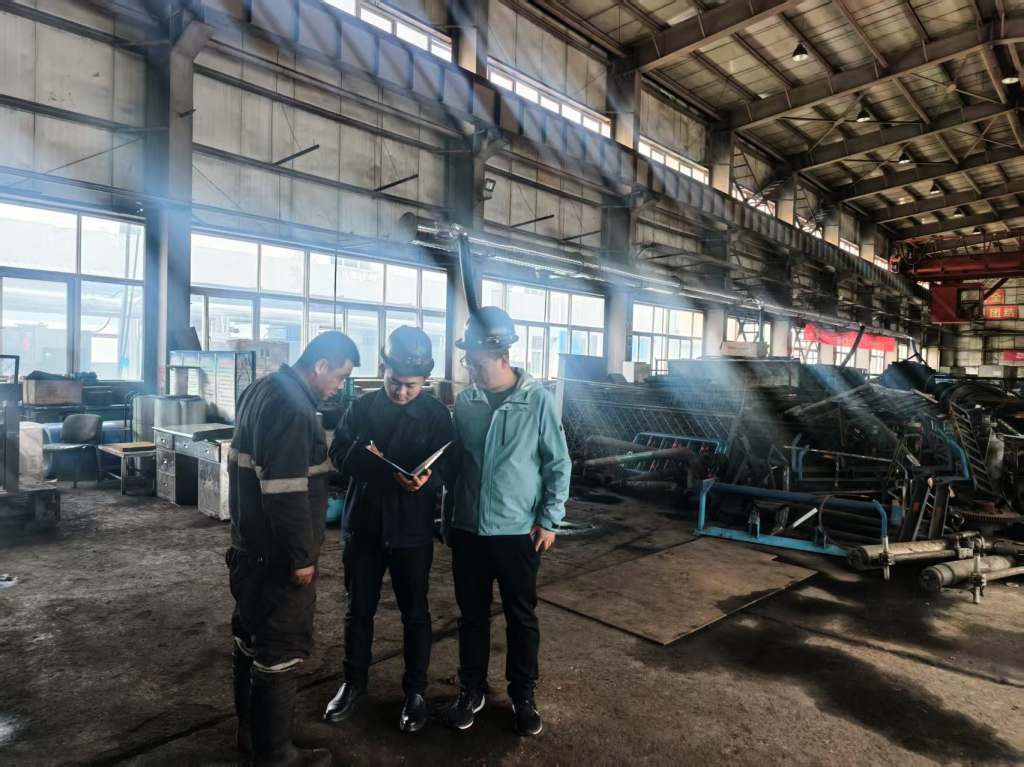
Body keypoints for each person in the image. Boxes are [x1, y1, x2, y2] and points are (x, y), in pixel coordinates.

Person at [227, 331, 360, 767]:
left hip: (248, 548)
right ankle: (276, 754)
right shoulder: (294, 408)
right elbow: (285, 493)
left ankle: (250, 735)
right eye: (339, 377)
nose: (338, 387)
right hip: (278, 556)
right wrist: (301, 556)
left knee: (250, 638)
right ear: (320, 366)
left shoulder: (261, 389)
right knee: (281, 648)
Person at [444, 307, 571, 736]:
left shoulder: (536, 401)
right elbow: (457, 465)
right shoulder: (466, 403)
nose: (472, 371)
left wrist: (550, 520)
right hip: (469, 531)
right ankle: (472, 689)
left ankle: (523, 694)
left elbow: (558, 464)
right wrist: (447, 516)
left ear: (503, 356)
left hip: (518, 532)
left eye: (477, 363)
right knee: (472, 617)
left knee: (521, 617)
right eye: (468, 362)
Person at [323, 327, 453, 733]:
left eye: (411, 386)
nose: (401, 391)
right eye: (394, 382)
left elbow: (450, 464)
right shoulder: (361, 408)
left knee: (415, 614)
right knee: (358, 609)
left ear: (425, 380)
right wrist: (376, 467)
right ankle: (353, 684)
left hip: (412, 529)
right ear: (384, 369)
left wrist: (428, 481)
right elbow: (337, 453)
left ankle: (415, 693)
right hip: (364, 525)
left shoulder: (436, 415)